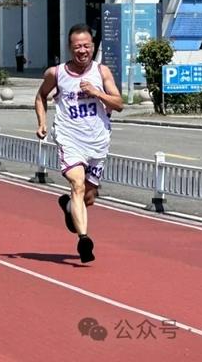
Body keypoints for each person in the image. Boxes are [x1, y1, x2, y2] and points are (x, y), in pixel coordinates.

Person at [34, 24, 123, 263]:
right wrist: (42, 122)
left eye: (86, 46)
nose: (82, 51)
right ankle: (84, 239)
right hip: (69, 137)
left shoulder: (101, 72)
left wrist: (97, 93)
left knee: (89, 197)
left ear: (93, 47)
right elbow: (41, 96)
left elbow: (119, 104)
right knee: (78, 184)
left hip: (97, 141)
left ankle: (68, 208)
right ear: (70, 48)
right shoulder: (57, 73)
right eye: (77, 47)